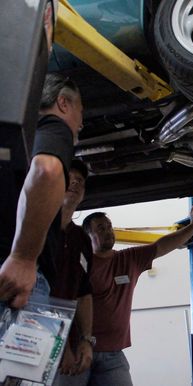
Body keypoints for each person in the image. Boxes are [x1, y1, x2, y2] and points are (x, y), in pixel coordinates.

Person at [80, 207, 193, 386]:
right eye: (101, 229)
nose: (108, 232)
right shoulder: (82, 265)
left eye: (109, 227)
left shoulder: (129, 259)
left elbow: (162, 245)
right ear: (87, 236)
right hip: (80, 350)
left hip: (113, 354)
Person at [0, 73, 83, 308]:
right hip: (12, 280)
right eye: (81, 112)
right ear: (63, 103)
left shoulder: (14, 138)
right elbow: (47, 170)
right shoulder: (52, 126)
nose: (81, 123)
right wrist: (23, 258)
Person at [52, 159, 95, 385]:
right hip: (28, 339)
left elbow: (84, 292)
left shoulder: (81, 239)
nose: (76, 183)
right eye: (69, 178)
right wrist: (58, 344)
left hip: (69, 348)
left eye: (80, 181)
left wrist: (86, 339)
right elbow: (35, 291)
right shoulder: (35, 226)